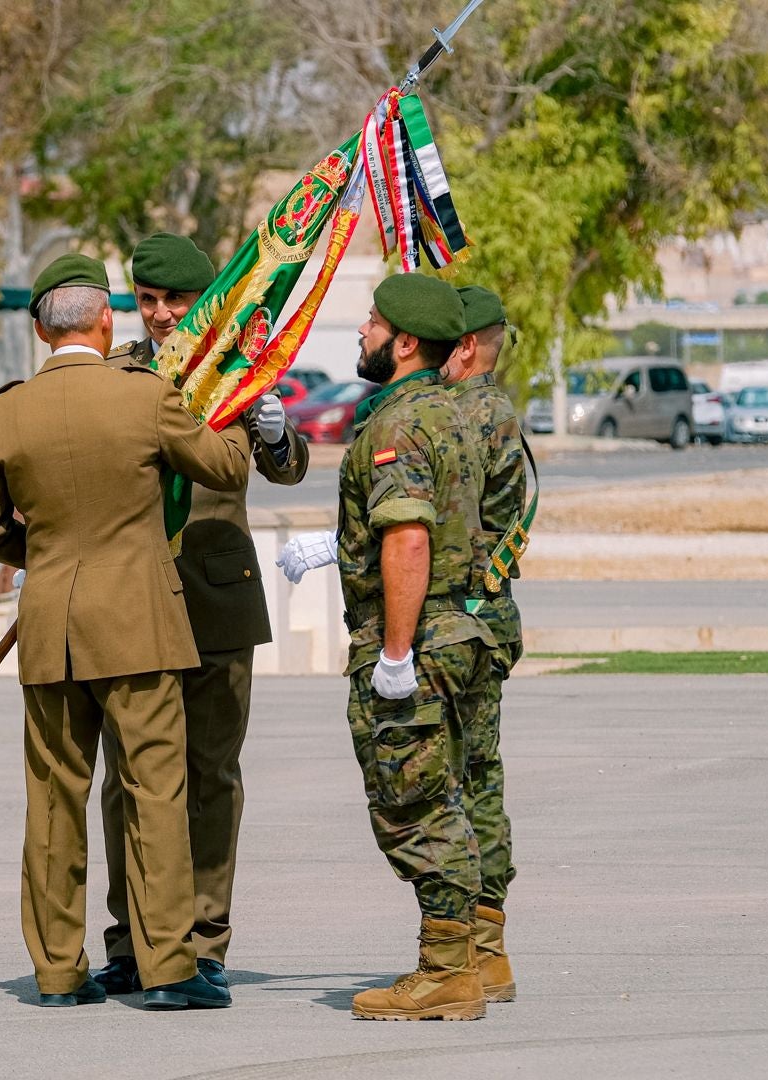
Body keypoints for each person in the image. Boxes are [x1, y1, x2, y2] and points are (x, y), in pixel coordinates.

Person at [0, 253, 250, 1011]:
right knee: (154, 791)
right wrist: (245, 419)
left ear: (37, 329)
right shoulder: (145, 398)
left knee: (54, 800)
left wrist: (47, 559)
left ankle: (58, 974)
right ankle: (166, 970)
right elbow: (223, 467)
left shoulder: (7, 412)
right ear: (107, 320)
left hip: (51, 626)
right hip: (140, 626)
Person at [276, 273, 496, 1021]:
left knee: (413, 806)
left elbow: (407, 539)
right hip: (458, 632)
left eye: (370, 324)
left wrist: (394, 657)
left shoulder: (397, 425)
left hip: (418, 641)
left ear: (404, 342)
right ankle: (466, 958)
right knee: (445, 797)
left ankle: (447, 972)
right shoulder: (452, 411)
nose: (360, 334)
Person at [95, 232, 309, 994]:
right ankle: (130, 940)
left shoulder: (236, 372)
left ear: (206, 299)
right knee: (128, 778)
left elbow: (287, 468)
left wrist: (276, 430)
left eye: (175, 301)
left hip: (216, 594)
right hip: (131, 595)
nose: (158, 315)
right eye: (147, 300)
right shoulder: (116, 372)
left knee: (210, 772)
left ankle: (205, 939)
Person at [439, 285, 524, 1003]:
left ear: (466, 346)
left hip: (465, 619)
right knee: (480, 779)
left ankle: (473, 946)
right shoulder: (495, 411)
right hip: (486, 617)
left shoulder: (474, 415)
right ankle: (488, 946)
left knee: (459, 785)